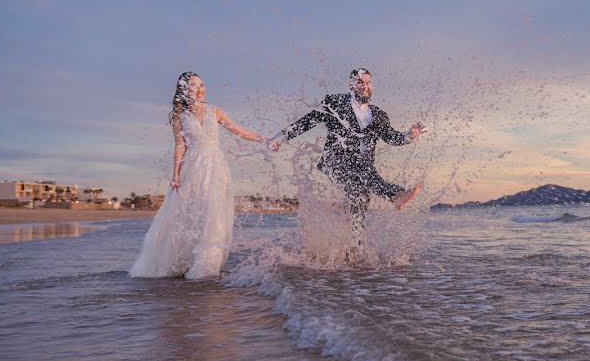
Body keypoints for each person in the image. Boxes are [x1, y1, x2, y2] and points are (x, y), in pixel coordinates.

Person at [130, 71, 266, 279]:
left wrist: (264, 140)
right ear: (184, 90)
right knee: (187, 214)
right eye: (195, 85)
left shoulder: (215, 111)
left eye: (202, 85)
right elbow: (180, 147)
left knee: (213, 214)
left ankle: (205, 266)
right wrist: (175, 175)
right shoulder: (180, 117)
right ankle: (183, 262)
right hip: (192, 170)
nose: (201, 89)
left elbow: (240, 131)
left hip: (216, 169)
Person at [269, 68, 425, 241]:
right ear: (351, 85)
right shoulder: (334, 104)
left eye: (368, 83)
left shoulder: (378, 115)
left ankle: (351, 252)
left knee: (359, 202)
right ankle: (395, 195)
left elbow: (391, 137)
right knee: (362, 169)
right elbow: (307, 121)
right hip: (334, 162)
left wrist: (409, 136)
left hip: (363, 170)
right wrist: (279, 138)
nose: (365, 87)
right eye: (360, 82)